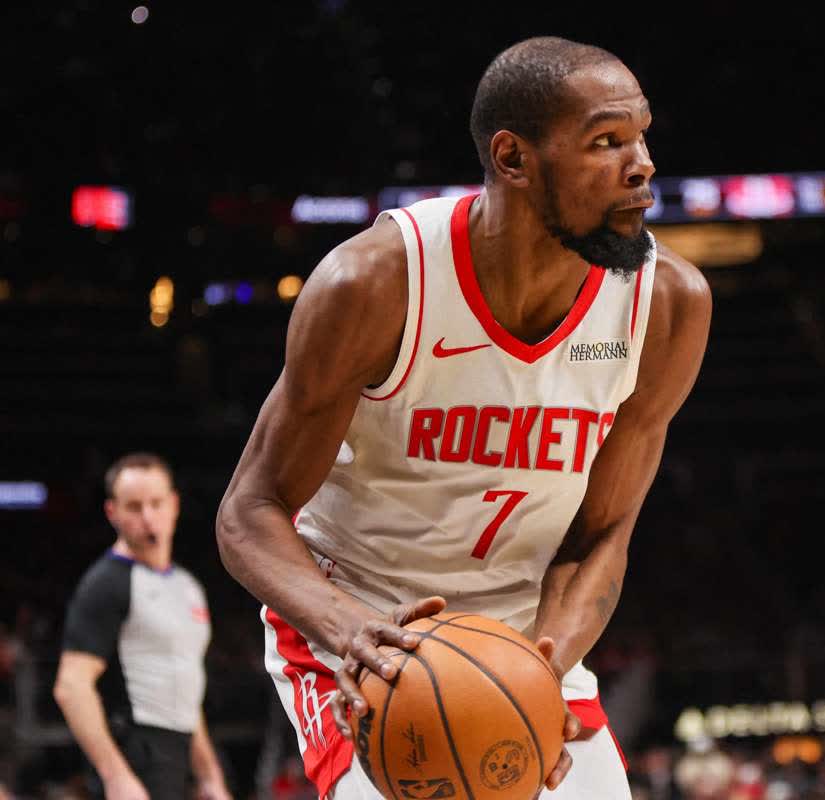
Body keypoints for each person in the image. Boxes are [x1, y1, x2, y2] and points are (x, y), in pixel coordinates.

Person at [217, 35, 711, 799]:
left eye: (641, 135)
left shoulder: (670, 306)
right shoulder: (375, 285)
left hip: (523, 637)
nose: (641, 163)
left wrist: (536, 676)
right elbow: (249, 513)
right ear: (514, 159)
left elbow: (599, 539)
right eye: (607, 141)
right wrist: (353, 635)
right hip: (363, 631)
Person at [53, 453, 231, 800]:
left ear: (174, 505)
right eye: (134, 507)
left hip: (177, 751)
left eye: (156, 503)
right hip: (135, 747)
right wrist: (115, 775)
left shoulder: (188, 587)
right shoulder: (105, 583)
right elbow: (71, 686)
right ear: (112, 512)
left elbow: (184, 687)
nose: (148, 517)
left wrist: (209, 774)